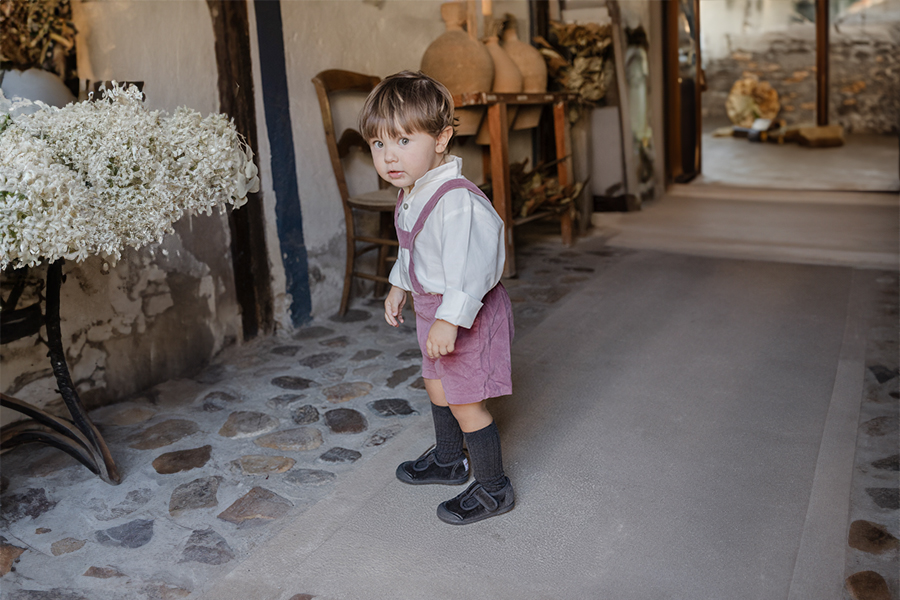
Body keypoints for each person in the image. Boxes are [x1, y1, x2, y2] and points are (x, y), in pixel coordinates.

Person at [358, 71, 515, 525]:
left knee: (466, 399)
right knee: (436, 383)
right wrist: (399, 283)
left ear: (442, 137)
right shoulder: (412, 193)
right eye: (378, 145)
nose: (389, 157)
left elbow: (473, 269)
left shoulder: (457, 202)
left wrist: (450, 319)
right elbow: (413, 251)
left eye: (403, 141)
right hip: (432, 308)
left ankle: (493, 487)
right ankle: (450, 458)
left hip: (465, 313)